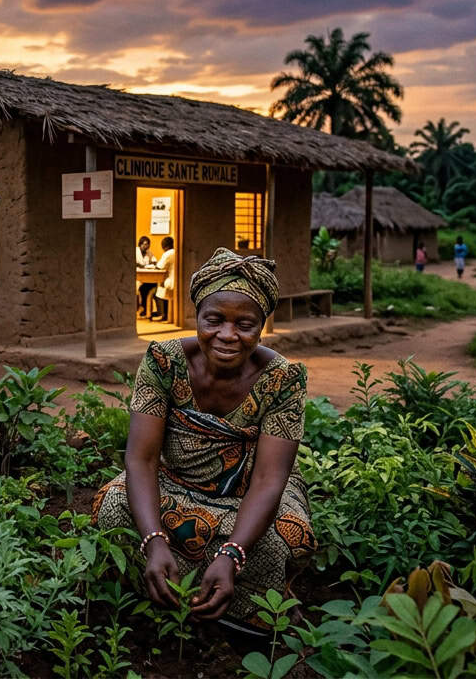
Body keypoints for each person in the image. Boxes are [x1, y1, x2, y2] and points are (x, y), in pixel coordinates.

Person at [94, 248, 314, 637]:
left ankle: (194, 592)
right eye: (214, 320)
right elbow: (141, 460)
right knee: (113, 508)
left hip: (246, 499)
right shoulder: (164, 361)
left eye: (244, 324)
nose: (227, 335)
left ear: (262, 325)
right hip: (174, 483)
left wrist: (231, 553)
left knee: (280, 542)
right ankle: (218, 601)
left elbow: (268, 481)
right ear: (197, 316)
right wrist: (154, 541)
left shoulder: (283, 378)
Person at [151, 237, 176, 322]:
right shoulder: (176, 251)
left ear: (164, 246)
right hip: (177, 280)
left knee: (156, 293)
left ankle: (162, 314)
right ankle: (164, 314)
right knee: (160, 291)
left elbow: (159, 266)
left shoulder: (168, 253)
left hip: (170, 280)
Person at [136, 236, 158, 318]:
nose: (147, 246)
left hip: (147, 277)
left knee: (149, 286)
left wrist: (152, 263)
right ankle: (142, 308)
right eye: (145, 244)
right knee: (141, 288)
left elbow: (154, 261)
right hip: (137, 277)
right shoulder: (135, 251)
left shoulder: (149, 252)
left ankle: (144, 308)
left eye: (148, 244)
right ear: (140, 244)